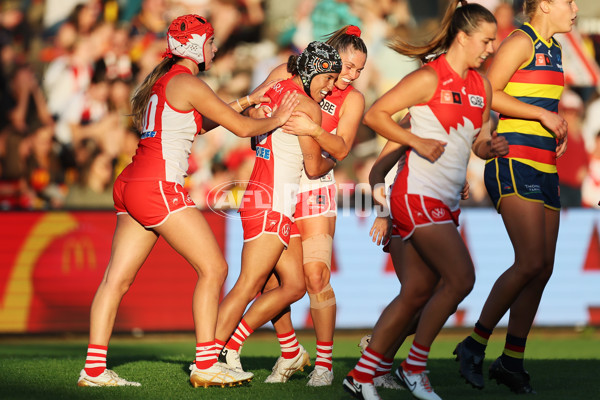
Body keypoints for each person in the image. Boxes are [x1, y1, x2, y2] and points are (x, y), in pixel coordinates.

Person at [77, 14, 299, 388]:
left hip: (132, 182)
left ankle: (94, 370)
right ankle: (205, 364)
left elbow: (202, 122)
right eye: (210, 42)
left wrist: (250, 97)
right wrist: (280, 117)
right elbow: (242, 128)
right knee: (214, 269)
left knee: (115, 281)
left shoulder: (167, 81)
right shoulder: (186, 81)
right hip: (157, 185)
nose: (214, 48)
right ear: (196, 46)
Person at [342, 2, 504, 399]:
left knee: (418, 290)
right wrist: (415, 141)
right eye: (485, 40)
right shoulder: (429, 78)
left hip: (447, 200)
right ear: (463, 37)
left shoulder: (481, 86)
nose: (490, 48)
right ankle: (414, 367)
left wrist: (488, 147)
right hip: (415, 194)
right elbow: (376, 115)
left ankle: (362, 375)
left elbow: (476, 142)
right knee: (462, 277)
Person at [454, 0, 577, 395]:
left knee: (543, 268)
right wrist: (541, 117)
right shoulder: (522, 41)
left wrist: (554, 129)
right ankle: (473, 344)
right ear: (544, 5)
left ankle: (511, 361)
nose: (575, 8)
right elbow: (486, 92)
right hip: (514, 162)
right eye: (569, 1)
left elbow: (538, 103)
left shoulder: (554, 48)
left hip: (544, 164)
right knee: (530, 262)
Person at [241, 25, 367, 387]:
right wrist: (261, 110)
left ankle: (324, 365)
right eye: (347, 66)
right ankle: (291, 351)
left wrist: (312, 130)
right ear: (331, 57)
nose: (351, 76)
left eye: (359, 70)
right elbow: (253, 106)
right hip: (277, 182)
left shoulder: (353, 99)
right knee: (273, 280)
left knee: (315, 276)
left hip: (315, 185)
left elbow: (341, 149)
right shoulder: (287, 72)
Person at [212, 41, 342, 383]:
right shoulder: (309, 108)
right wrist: (331, 156)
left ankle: (242, 350)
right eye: (328, 78)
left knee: (294, 285)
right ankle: (211, 356)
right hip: (273, 201)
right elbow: (314, 169)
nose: (330, 87)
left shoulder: (276, 87)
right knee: (247, 286)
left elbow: (253, 123)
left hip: (261, 194)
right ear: (313, 70)